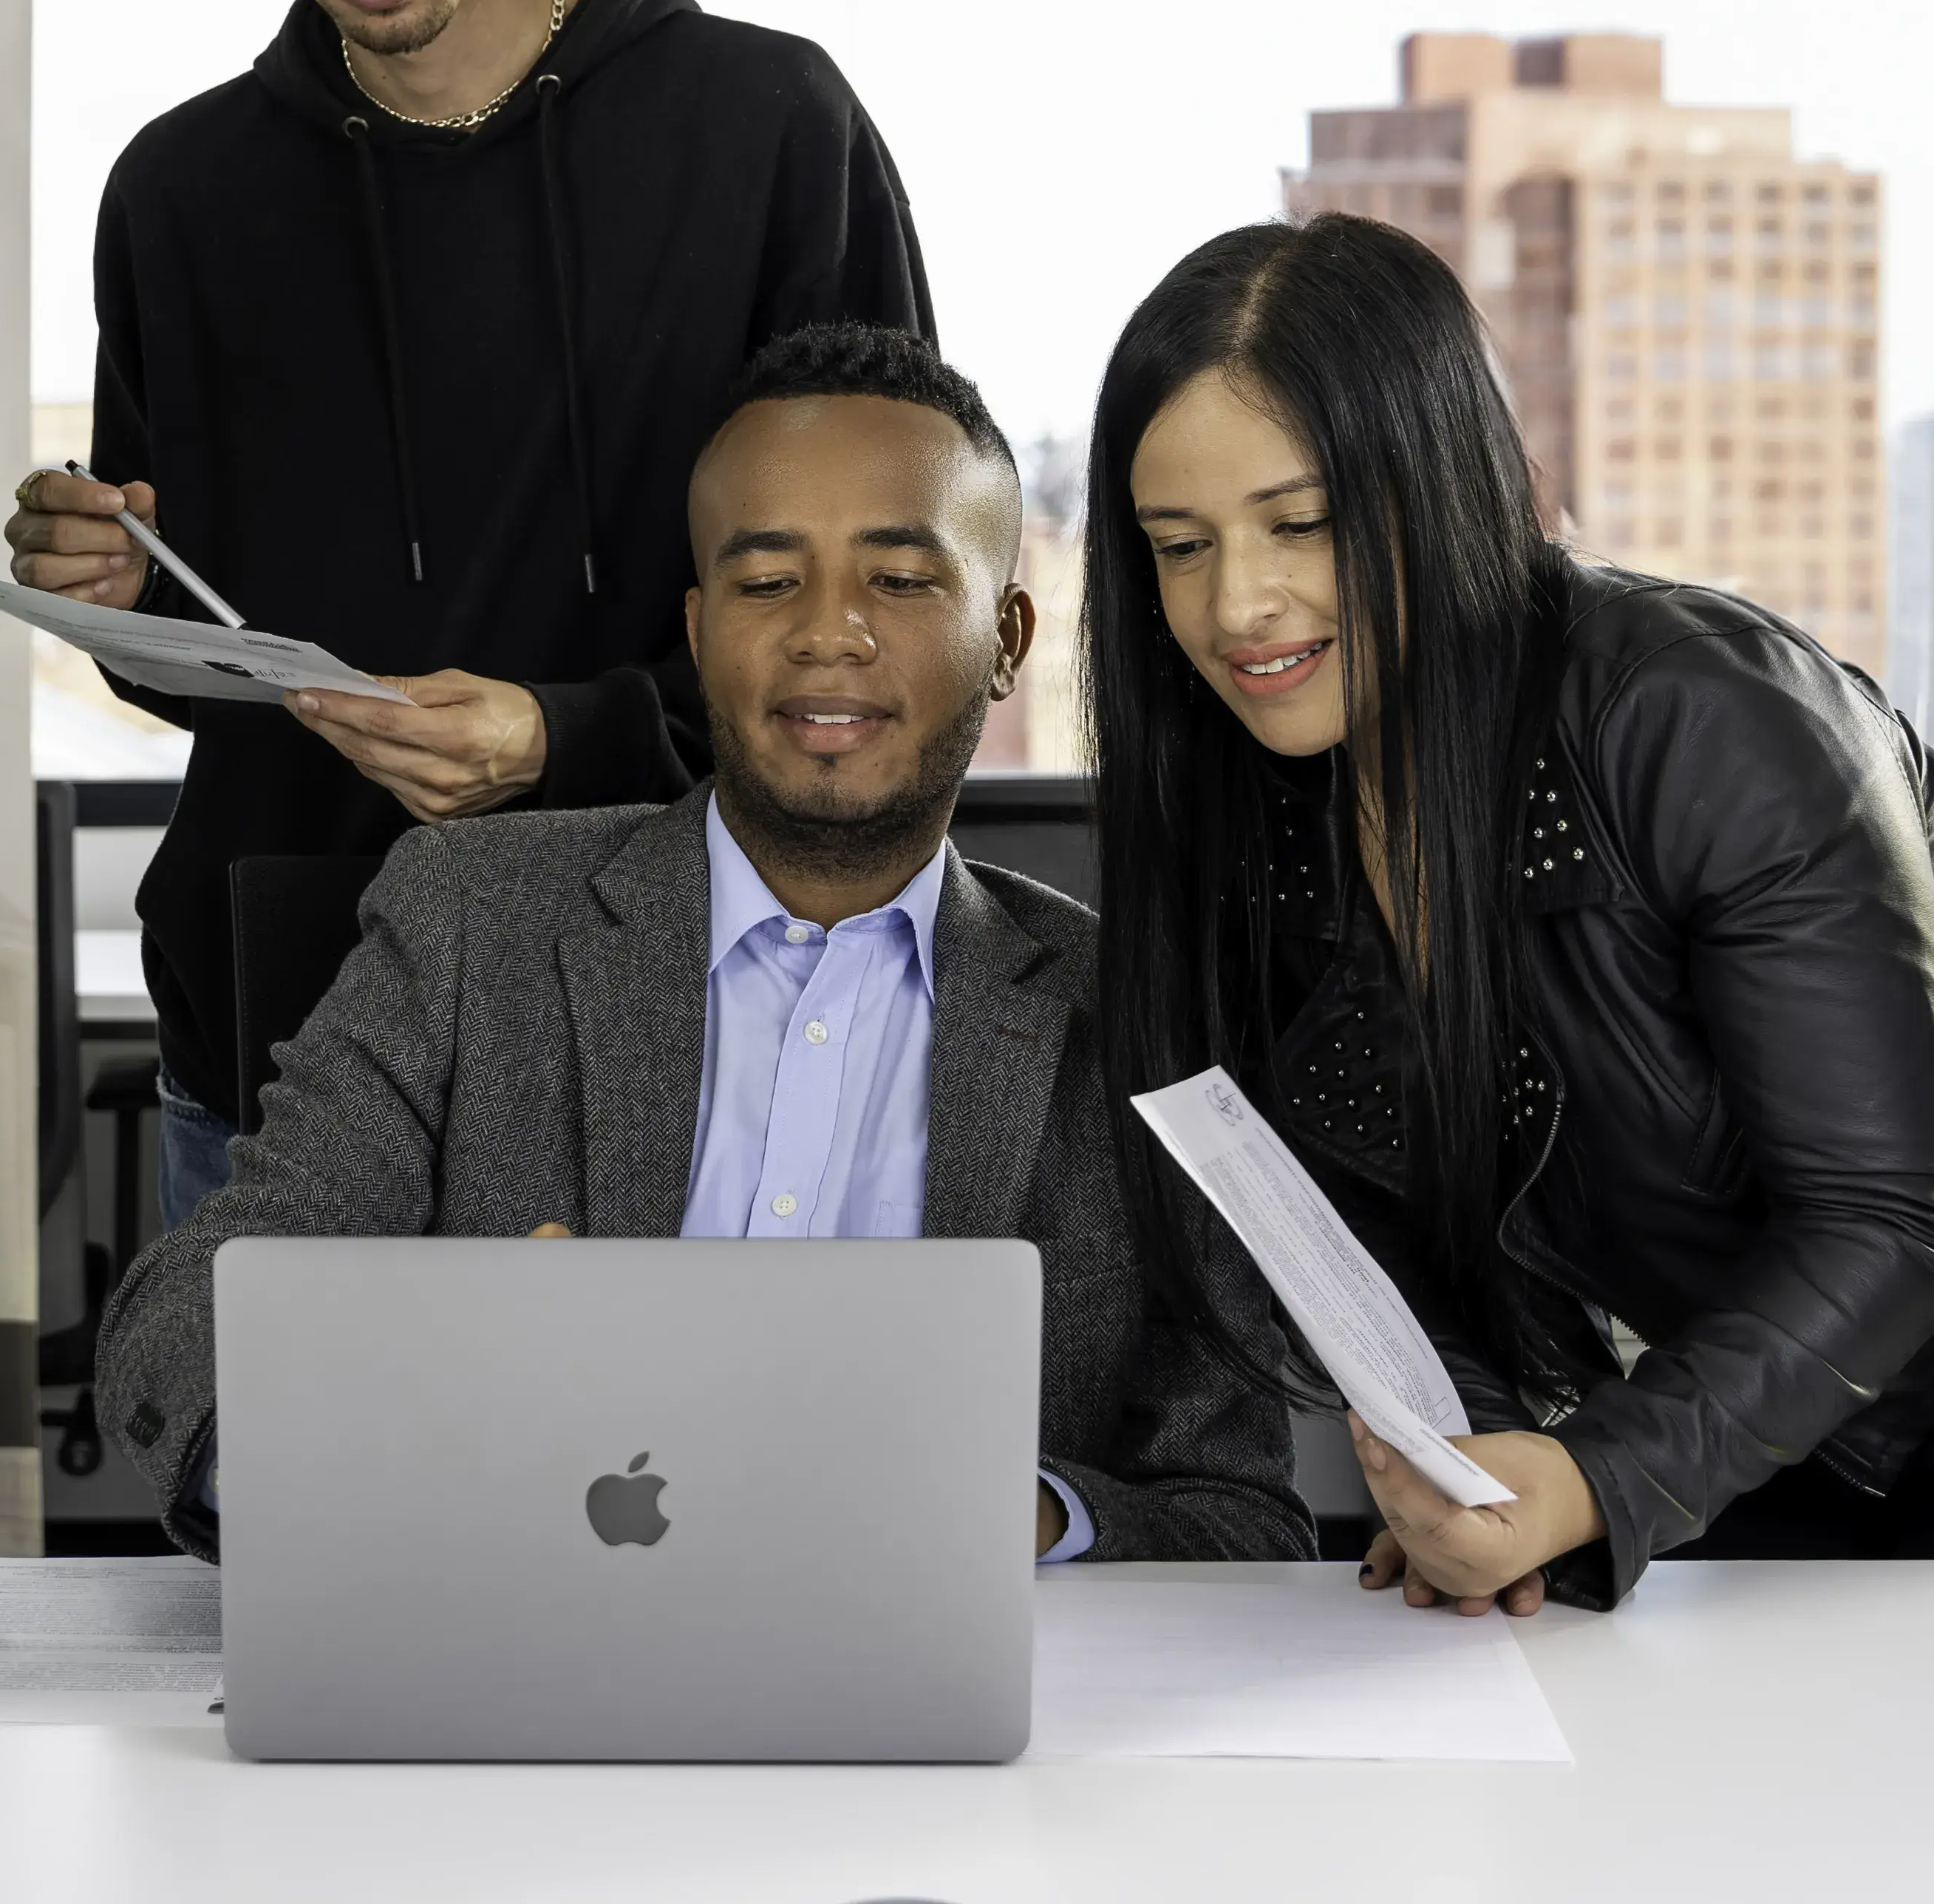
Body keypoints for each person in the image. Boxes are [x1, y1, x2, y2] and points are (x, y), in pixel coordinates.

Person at [1084, 215, 1934, 1616]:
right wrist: (1482, 1473)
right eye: (1179, 545)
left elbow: (1891, 1216)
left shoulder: (1696, 706)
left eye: (1303, 524)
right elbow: (1407, 1238)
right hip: (1829, 1365)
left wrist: (1591, 1482)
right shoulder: (1263, 801)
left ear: (1435, 481)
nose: (1238, 602)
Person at [8, 0, 931, 1220]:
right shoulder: (181, 194)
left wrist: (565, 739)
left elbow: (901, 614)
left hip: (696, 1043)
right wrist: (123, 602)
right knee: (274, 1495)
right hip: (288, 1044)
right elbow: (209, 673)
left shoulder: (767, 132)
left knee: (709, 1492)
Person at [96, 325, 1310, 1566]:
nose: (827, 633)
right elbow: (188, 1315)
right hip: (518, 1672)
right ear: (699, 625)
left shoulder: (1135, 1025)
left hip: (928, 1714)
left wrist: (1037, 1516)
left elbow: (1243, 1521)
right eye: (768, 580)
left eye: (898, 579)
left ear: (1006, 639)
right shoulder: (469, 919)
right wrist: (416, 1396)